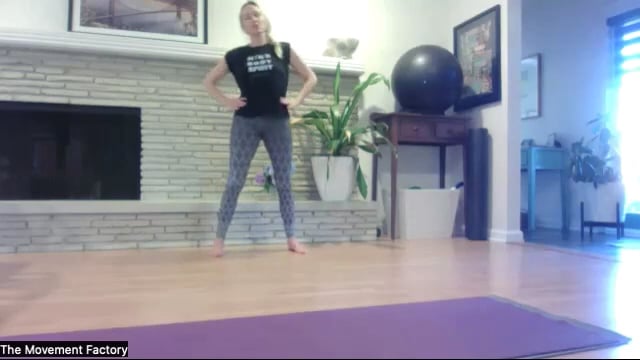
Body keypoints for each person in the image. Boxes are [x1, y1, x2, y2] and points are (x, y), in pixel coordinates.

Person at [202, 1, 318, 257]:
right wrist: (227, 101)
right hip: (246, 122)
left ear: (264, 19)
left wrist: (297, 101)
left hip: (278, 122)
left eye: (256, 14)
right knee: (235, 181)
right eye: (246, 18)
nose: (253, 20)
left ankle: (291, 238)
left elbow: (311, 77)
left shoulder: (283, 50)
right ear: (243, 26)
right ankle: (219, 239)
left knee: (284, 181)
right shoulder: (235, 56)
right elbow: (209, 81)